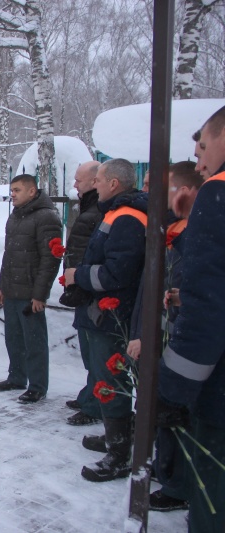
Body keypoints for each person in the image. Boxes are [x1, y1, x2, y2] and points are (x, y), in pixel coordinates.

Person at [157, 105, 225, 532]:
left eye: (202, 148)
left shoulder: (217, 193)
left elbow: (208, 303)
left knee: (212, 495)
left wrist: (174, 390)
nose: (199, 164)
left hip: (218, 389)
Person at [124, 161, 203, 513]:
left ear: (182, 192)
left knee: (175, 412)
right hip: (161, 334)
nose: (147, 193)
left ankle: (178, 483)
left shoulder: (192, 234)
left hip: (177, 341)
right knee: (162, 408)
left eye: (155, 186)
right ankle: (168, 467)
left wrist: (151, 334)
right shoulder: (168, 230)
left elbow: (187, 295)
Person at [64, 158, 148, 482]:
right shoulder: (115, 212)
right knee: (106, 378)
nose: (94, 185)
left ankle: (119, 454)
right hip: (103, 313)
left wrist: (79, 275)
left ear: (114, 183)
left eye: (98, 180)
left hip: (112, 316)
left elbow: (117, 272)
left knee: (112, 381)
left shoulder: (126, 217)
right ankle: (116, 438)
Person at [0, 174, 62, 403]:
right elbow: (9, 255)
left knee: (34, 341)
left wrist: (40, 294)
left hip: (31, 292)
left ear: (32, 191)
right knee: (14, 338)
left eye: (17, 190)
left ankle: (38, 386)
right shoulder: (16, 216)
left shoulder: (46, 217)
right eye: (11, 190)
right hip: (12, 288)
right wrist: (2, 286)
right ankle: (17, 377)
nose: (12, 194)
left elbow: (50, 259)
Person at [61, 161, 103, 426]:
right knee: (90, 350)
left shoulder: (98, 212)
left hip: (90, 289)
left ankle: (96, 404)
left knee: (96, 353)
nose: (75, 184)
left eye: (79, 180)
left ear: (95, 181)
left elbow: (90, 252)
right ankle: (90, 394)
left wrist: (78, 278)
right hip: (83, 286)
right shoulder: (90, 208)